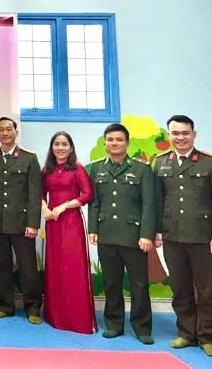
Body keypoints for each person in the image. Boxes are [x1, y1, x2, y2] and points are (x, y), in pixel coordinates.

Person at [154, 115, 212, 357]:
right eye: (175, 133)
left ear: (193, 134)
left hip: (203, 237)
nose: (180, 137)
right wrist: (156, 230)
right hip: (172, 236)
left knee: (207, 290)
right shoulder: (161, 163)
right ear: (169, 136)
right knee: (180, 287)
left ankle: (207, 337)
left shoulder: (210, 163)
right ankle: (186, 333)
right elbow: (157, 201)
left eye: (185, 133)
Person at [87, 123, 155, 345]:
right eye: (110, 140)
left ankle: (142, 327)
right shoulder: (96, 169)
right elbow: (95, 203)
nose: (114, 143)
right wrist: (94, 229)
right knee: (111, 283)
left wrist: (147, 234)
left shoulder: (142, 169)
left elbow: (149, 205)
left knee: (139, 284)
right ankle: (114, 324)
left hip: (134, 237)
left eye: (119, 139)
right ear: (105, 143)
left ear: (127, 143)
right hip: (106, 235)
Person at [0, 117, 42, 324]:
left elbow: (35, 194)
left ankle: (33, 308)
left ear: (16, 132)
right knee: (1, 266)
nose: (5, 133)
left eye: (9, 129)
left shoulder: (28, 158)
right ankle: (5, 306)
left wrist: (33, 223)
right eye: (1, 130)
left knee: (28, 267)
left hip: (23, 222)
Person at [40, 131, 96, 334]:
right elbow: (39, 193)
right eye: (57, 144)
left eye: (65, 144)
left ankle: (77, 319)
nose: (60, 148)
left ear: (71, 148)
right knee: (55, 267)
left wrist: (63, 207)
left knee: (73, 266)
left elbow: (88, 194)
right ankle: (56, 316)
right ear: (52, 147)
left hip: (71, 222)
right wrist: (44, 207)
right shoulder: (47, 169)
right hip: (52, 223)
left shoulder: (78, 168)